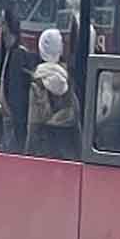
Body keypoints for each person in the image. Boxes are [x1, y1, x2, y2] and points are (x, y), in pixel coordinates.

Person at [26, 28, 79, 159]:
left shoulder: (38, 81)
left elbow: (33, 125)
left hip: (44, 153)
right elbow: (77, 119)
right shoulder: (68, 79)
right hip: (67, 153)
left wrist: (27, 155)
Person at [0, 9, 36, 153]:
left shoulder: (18, 54)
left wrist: (16, 118)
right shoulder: (7, 53)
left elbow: (18, 91)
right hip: (5, 118)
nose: (0, 28)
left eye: (3, 23)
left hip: (14, 120)